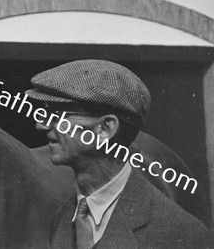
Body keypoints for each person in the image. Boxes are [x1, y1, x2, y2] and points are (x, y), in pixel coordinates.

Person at [25, 59, 213, 249]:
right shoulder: (61, 217)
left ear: (105, 128)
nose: (41, 125)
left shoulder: (181, 234)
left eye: (57, 115)